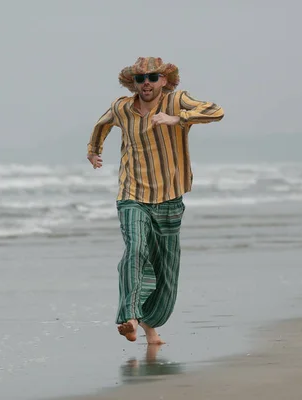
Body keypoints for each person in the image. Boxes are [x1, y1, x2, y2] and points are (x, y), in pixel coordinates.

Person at [86, 56, 224, 344]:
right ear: (133, 83)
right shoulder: (122, 108)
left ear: (164, 80)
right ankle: (130, 317)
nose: (146, 83)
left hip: (170, 197)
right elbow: (102, 124)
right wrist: (94, 150)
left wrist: (178, 119)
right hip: (131, 194)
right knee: (136, 249)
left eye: (152, 77)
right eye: (140, 79)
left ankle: (150, 327)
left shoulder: (177, 101)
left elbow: (216, 111)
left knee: (166, 268)